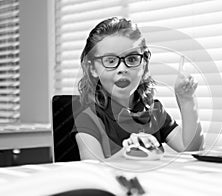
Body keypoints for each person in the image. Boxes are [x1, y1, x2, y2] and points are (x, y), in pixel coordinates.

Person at [74, 17, 203, 160]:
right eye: (110, 61)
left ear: (144, 64)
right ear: (93, 68)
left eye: (132, 59)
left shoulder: (154, 111)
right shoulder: (88, 119)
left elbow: (192, 148)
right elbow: (92, 171)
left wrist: (186, 99)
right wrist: (127, 154)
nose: (122, 69)